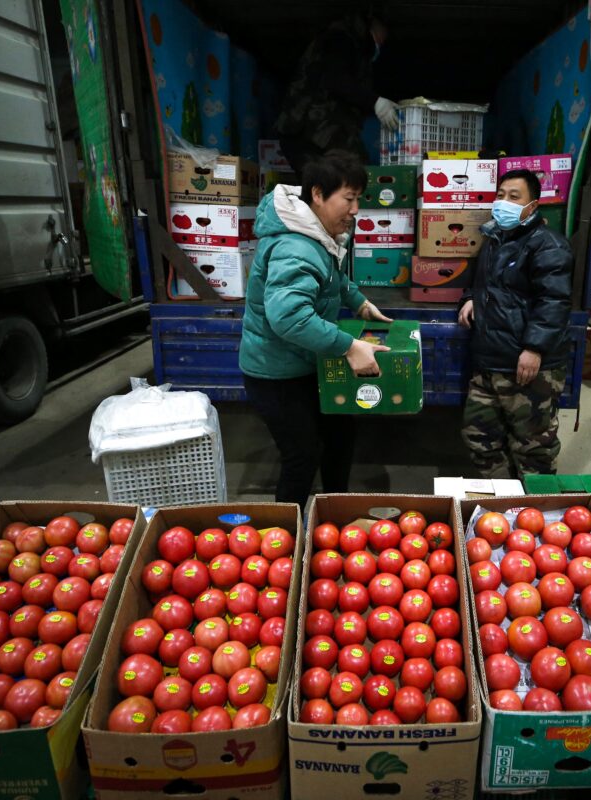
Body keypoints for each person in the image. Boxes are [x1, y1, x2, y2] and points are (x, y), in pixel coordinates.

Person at [239, 151, 392, 506]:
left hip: (304, 362)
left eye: (359, 200)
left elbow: (332, 276)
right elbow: (290, 317)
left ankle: (333, 515)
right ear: (319, 194)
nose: (355, 210)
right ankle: (288, 538)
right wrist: (349, 346)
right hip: (275, 373)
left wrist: (359, 302)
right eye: (349, 199)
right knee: (302, 453)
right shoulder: (295, 245)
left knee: (340, 432)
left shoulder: (316, 233)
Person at [457, 169, 572, 478]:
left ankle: (535, 511)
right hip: (489, 360)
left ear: (532, 206)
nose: (503, 202)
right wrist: (470, 299)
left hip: (527, 366)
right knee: (479, 438)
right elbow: (479, 281)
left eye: (513, 197)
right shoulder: (493, 238)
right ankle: (504, 506)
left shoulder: (549, 245)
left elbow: (554, 301)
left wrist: (534, 348)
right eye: (500, 195)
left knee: (533, 447)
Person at [274, 11, 399, 175]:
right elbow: (337, 80)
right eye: (383, 35)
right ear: (374, 24)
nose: (382, 42)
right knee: (354, 175)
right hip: (309, 131)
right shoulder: (341, 39)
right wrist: (376, 102)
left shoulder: (357, 49)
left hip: (314, 132)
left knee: (337, 183)